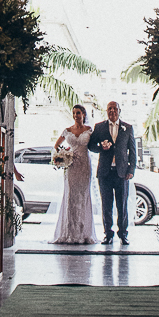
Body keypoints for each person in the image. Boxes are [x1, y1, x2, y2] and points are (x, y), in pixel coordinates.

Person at [88, 99, 136, 244]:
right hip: (105, 172)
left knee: (122, 205)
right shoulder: (99, 127)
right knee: (106, 205)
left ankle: (123, 234)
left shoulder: (128, 128)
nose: (112, 111)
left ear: (119, 111)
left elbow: (132, 151)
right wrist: (101, 148)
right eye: (109, 108)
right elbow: (91, 145)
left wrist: (131, 169)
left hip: (122, 173)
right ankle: (108, 234)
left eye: (115, 108)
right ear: (106, 111)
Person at [50, 104, 98, 244]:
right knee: (70, 196)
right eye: (74, 113)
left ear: (83, 114)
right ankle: (69, 232)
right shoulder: (67, 130)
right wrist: (62, 155)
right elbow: (56, 145)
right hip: (71, 166)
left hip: (84, 166)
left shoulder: (89, 130)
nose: (76, 115)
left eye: (78, 113)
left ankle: (84, 233)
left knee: (83, 196)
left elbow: (94, 145)